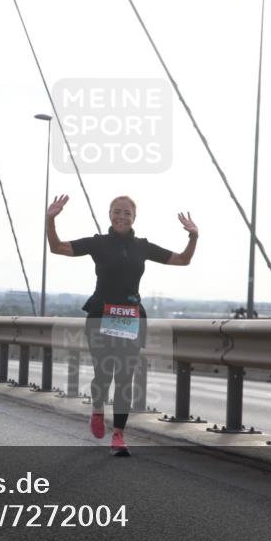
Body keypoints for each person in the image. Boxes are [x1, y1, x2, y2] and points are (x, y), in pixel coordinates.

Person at [47, 194, 198, 456]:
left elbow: (184, 260)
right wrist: (50, 220)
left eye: (127, 213)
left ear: (134, 218)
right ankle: (97, 409)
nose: (121, 217)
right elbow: (57, 247)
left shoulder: (142, 246)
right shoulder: (98, 243)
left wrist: (193, 236)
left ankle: (118, 434)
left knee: (125, 378)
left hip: (130, 317)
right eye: (117, 212)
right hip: (100, 315)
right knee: (104, 374)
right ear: (110, 215)